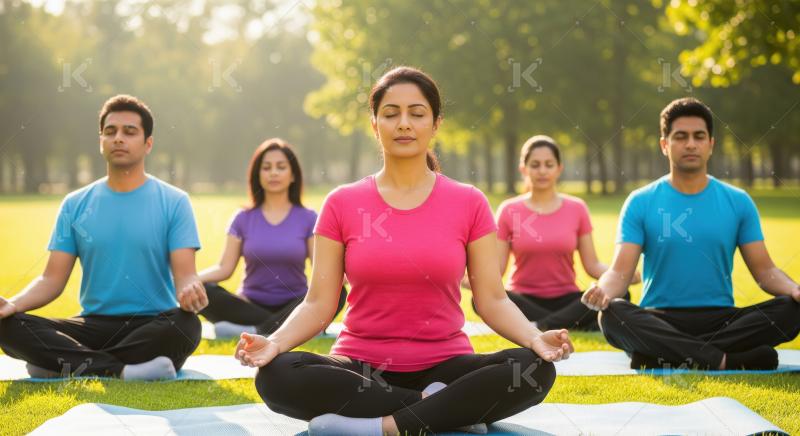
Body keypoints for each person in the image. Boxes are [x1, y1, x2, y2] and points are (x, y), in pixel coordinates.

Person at [235, 67, 574, 436]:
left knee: (534, 368)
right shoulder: (342, 203)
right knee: (276, 376)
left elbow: (492, 299)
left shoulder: (469, 202)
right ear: (375, 123)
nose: (404, 124)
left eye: (417, 113)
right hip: (361, 369)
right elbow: (318, 303)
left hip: (447, 364)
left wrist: (533, 337)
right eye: (391, 113)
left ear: (435, 124)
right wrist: (275, 343)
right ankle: (450, 410)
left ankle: (387, 425)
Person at [582, 97, 800, 370]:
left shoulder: (738, 201)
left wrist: (794, 289)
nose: (690, 144)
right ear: (665, 145)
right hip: (659, 318)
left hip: (722, 319)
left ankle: (661, 353)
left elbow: (765, 271)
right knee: (612, 314)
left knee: (791, 310)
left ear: (711, 144)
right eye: (680, 137)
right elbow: (620, 273)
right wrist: (602, 290)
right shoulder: (640, 201)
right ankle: (721, 359)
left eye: (699, 136)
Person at [0, 95, 206, 380]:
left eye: (129, 132)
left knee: (187, 325)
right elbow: (51, 280)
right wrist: (13, 304)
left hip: (153, 324)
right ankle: (120, 370)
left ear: (148, 144)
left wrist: (190, 289)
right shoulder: (74, 204)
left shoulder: (174, 201)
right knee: (8, 326)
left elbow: (186, 275)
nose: (118, 138)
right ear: (101, 141)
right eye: (110, 132)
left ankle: (63, 363)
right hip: (92, 326)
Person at [487, 135, 638, 331]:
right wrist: (472, 279)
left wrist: (621, 275)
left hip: (568, 299)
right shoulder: (509, 210)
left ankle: (542, 325)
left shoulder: (577, 208)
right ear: (523, 169)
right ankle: (573, 322)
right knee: (481, 298)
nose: (542, 171)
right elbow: (497, 268)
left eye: (549, 164)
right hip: (522, 300)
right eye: (535, 165)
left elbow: (592, 265)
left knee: (620, 294)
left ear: (559, 168)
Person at [198, 139, 346, 338]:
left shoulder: (308, 218)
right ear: (257, 175)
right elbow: (224, 268)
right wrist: (190, 281)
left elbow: (321, 269)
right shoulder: (242, 218)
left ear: (293, 175)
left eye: (281, 167)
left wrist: (338, 278)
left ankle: (258, 331)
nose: (273, 173)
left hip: (296, 304)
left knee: (338, 294)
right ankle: (295, 329)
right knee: (204, 291)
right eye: (266, 168)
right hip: (249, 306)